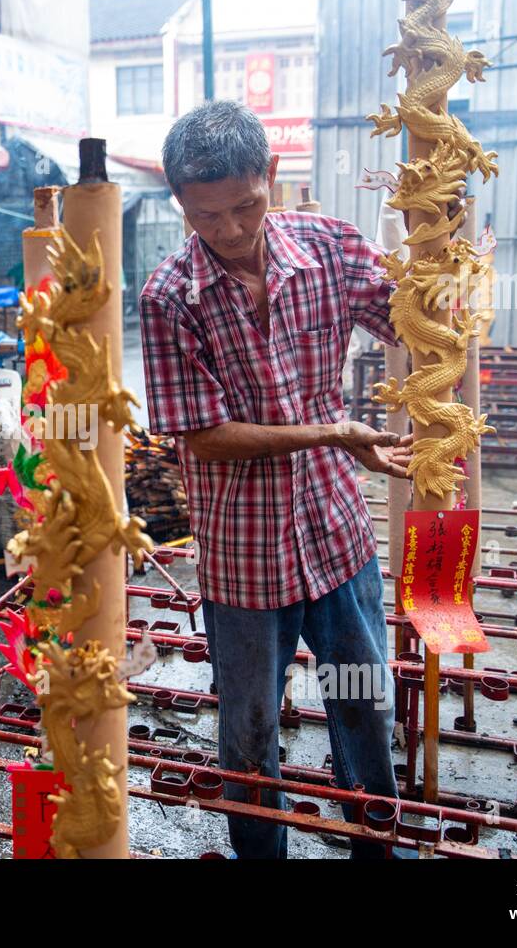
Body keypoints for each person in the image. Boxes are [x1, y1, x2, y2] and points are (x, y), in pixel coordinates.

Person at [139, 100, 414, 859]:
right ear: (181, 205)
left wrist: (445, 266)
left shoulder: (331, 249)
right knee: (249, 726)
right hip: (243, 554)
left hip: (336, 532)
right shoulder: (169, 298)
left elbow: (418, 322)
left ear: (272, 175)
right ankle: (261, 854)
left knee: (361, 700)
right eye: (206, 216)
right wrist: (332, 430)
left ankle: (375, 842)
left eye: (245, 206)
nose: (228, 230)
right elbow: (205, 436)